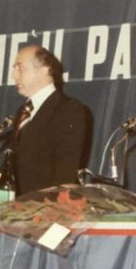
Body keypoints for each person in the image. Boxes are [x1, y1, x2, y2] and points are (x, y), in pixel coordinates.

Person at [11, 44, 88, 195]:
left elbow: (65, 173)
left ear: (44, 70)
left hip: (42, 210)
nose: (14, 75)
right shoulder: (23, 111)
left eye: (20, 68)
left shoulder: (69, 109)